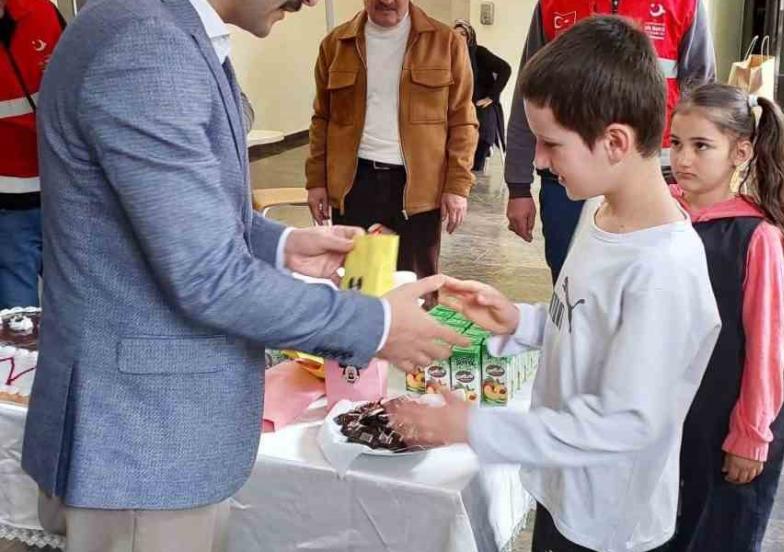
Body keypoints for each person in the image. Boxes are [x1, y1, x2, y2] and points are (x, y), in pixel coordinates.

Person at [21, 0, 466, 550]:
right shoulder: (144, 45)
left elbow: (174, 209)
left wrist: (282, 245)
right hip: (143, 444)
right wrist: (376, 326)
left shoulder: (158, 27)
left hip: (159, 438)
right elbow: (208, 276)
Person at [393, 16, 721, 552]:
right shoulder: (599, 210)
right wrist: (520, 321)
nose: (539, 160)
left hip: (608, 522)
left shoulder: (664, 271)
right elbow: (590, 324)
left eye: (551, 144)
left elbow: (622, 424)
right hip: (560, 486)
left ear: (615, 142)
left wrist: (473, 427)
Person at [667, 83, 784, 552]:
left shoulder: (755, 236)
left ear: (740, 153)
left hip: (718, 414)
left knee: (711, 530)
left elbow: (766, 345)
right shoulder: (660, 215)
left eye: (701, 146)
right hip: (663, 410)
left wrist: (751, 434)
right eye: (676, 143)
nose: (683, 158)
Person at [505, 0, 716, 281]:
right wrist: (518, 185)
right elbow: (528, 98)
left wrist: (700, 183)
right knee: (569, 275)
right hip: (565, 185)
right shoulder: (550, 5)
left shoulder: (685, 5)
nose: (538, 158)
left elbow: (701, 98)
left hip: (659, 177)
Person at [305, 0, 478, 306]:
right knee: (358, 285)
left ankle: (413, 338)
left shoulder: (446, 42)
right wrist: (316, 180)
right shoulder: (335, 44)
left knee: (417, 288)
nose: (386, 1)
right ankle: (360, 337)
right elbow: (322, 118)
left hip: (419, 188)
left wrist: (457, 186)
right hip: (354, 183)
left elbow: (462, 120)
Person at [0, 0, 64, 309]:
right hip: (8, 204)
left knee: (80, 301)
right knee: (18, 315)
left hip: (62, 190)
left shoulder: (41, 13)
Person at [452, 19, 511, 173]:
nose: (459, 37)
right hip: (459, 104)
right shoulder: (450, 55)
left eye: (463, 34)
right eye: (455, 34)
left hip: (480, 103)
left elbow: (505, 69)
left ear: (469, 36)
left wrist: (491, 96)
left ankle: (474, 166)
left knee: (482, 132)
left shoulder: (479, 53)